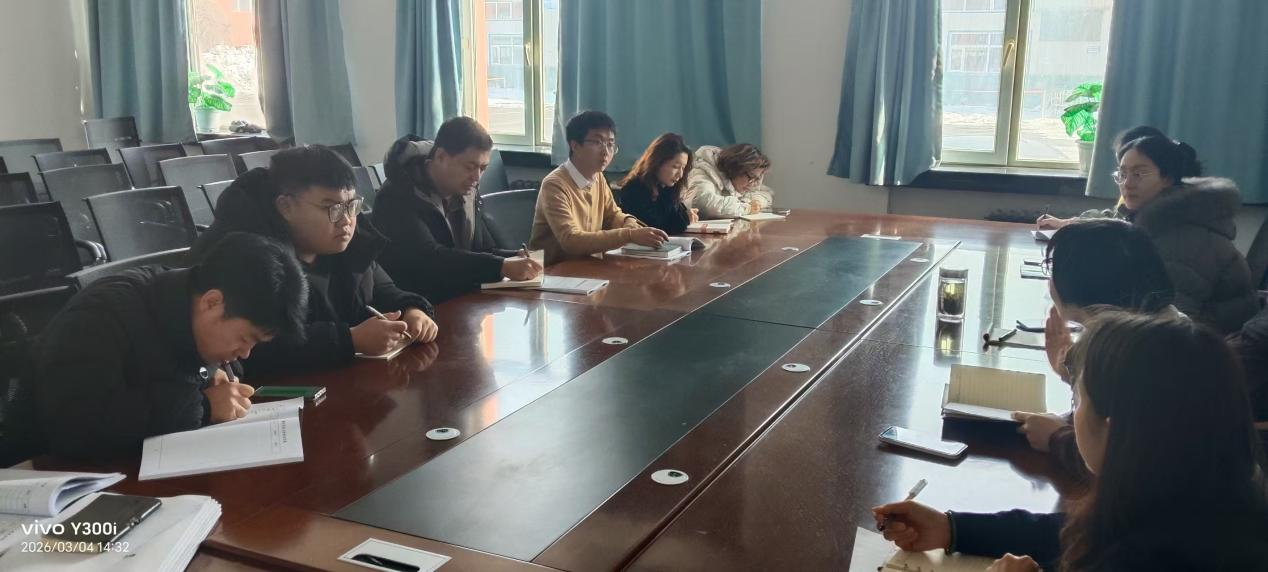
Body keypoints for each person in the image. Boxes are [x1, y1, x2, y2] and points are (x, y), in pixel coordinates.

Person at [873, 312, 1268, 571]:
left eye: (1077, 400)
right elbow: (1068, 533)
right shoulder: (1208, 495)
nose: (1072, 413)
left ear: (1114, 429)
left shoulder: (1148, 557)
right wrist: (952, 528)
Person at [9, 232, 309, 462]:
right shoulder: (101, 316)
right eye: (245, 339)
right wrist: (202, 406)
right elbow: (77, 427)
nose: (245, 353)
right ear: (212, 302)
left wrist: (210, 376)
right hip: (45, 478)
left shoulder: (188, 304)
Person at [191, 145, 437, 375]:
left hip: (342, 378)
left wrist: (410, 310)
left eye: (352, 206)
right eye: (331, 208)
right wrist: (349, 340)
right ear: (286, 207)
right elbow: (252, 345)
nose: (346, 220)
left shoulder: (347, 238)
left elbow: (382, 288)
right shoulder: (247, 253)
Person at [1036, 126, 1255, 333]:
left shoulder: (1183, 238)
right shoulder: (1152, 217)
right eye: (1122, 174)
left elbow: (1170, 326)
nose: (1127, 183)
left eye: (1139, 174)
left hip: (1210, 349)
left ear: (1167, 178)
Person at [1013, 219, 1178, 483]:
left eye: (1053, 269)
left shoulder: (1139, 352)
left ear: (1082, 281)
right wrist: (1071, 370)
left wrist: (1056, 438)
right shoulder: (1164, 327)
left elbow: (1123, 467)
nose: (1051, 281)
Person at [374, 117, 542, 303]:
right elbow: (429, 259)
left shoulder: (466, 192)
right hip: (417, 306)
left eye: (483, 168)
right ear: (441, 157)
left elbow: (482, 249)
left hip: (462, 298)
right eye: (470, 167)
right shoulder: (397, 194)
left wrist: (514, 257)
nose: (477, 177)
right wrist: (501, 266)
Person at [528, 110, 666, 264]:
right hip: (553, 270)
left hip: (588, 266)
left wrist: (628, 223)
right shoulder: (554, 185)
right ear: (575, 145)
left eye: (610, 144)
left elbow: (612, 216)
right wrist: (629, 235)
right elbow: (571, 240)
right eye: (597, 142)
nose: (605, 151)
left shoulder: (598, 177)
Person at [616, 133, 698, 235]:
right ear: (657, 162)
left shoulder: (666, 187)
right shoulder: (635, 188)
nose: (680, 174)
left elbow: (677, 213)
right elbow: (656, 227)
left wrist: (687, 214)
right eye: (675, 167)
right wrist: (685, 218)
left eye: (683, 168)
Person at [685, 143, 773, 218]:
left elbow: (765, 193)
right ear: (736, 168)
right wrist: (747, 208)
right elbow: (702, 203)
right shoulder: (703, 172)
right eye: (751, 177)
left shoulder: (745, 182)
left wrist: (756, 202)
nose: (753, 183)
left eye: (757, 179)